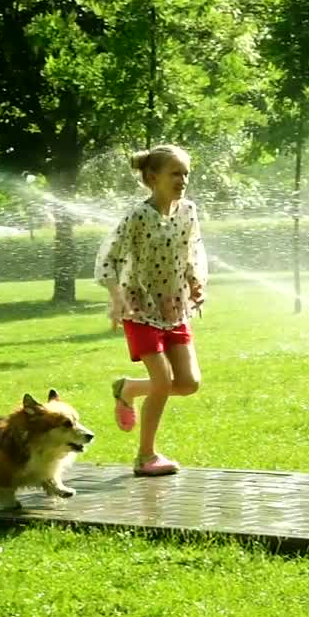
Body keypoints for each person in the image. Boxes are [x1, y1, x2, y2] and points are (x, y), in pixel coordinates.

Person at [95, 145, 208, 477]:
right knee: (162, 381)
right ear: (152, 178)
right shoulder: (137, 216)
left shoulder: (188, 211)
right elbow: (107, 259)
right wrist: (116, 297)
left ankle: (129, 388)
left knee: (187, 383)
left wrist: (196, 282)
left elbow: (192, 251)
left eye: (186, 173)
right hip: (139, 307)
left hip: (174, 308)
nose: (183, 179)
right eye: (176, 173)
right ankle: (146, 457)